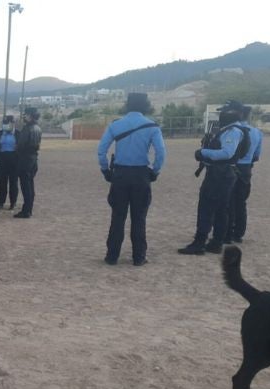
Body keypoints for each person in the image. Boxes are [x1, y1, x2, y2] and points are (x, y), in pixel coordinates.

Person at [97, 93, 167, 266]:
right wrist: (154, 171)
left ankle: (112, 256)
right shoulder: (152, 126)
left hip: (120, 175)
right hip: (141, 175)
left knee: (117, 217)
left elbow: (101, 150)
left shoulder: (116, 125)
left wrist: (106, 170)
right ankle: (139, 257)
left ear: (127, 105)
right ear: (146, 105)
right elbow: (161, 153)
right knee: (139, 218)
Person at [179, 100, 249, 255]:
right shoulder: (230, 129)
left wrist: (203, 153)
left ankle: (200, 242)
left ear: (232, 113)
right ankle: (216, 242)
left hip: (220, 174)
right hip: (223, 173)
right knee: (220, 209)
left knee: (207, 207)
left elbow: (226, 153)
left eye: (224, 112)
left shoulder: (233, 130)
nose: (221, 115)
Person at [226, 105, 263, 244]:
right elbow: (257, 155)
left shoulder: (233, 130)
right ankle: (239, 233)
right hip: (246, 168)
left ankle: (227, 232)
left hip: (232, 166)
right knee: (241, 201)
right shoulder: (257, 132)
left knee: (229, 201)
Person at [14, 107, 43, 218]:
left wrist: (16, 149)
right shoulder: (38, 128)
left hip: (25, 159)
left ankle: (26, 210)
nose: (24, 117)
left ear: (30, 116)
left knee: (25, 186)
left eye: (26, 115)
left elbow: (21, 145)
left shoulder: (27, 128)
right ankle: (29, 208)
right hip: (33, 158)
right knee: (30, 185)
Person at [0, 115, 19, 210]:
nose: (5, 125)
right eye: (4, 124)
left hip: (14, 160)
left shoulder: (18, 134)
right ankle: (0, 202)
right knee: (2, 182)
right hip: (2, 159)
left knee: (13, 182)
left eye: (7, 123)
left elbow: (23, 148)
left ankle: (13, 202)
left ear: (13, 124)